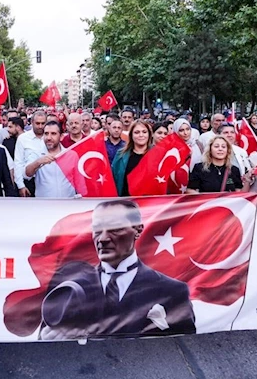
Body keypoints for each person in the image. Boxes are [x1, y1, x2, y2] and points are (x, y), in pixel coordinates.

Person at [40, 199, 196, 340]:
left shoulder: (172, 291)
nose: (103, 238)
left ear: (137, 230)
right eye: (97, 229)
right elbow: (46, 340)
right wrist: (52, 340)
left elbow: (186, 343)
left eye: (114, 228)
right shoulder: (70, 290)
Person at [23, 121, 76, 198]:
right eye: (46, 133)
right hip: (44, 203)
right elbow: (26, 174)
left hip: (68, 202)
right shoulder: (36, 153)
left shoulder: (71, 155)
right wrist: (38, 162)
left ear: (61, 137)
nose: (49, 138)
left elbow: (80, 182)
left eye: (53, 134)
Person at [188, 136, 252, 193]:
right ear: (210, 150)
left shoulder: (234, 170)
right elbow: (190, 190)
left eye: (223, 147)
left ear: (227, 150)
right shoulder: (199, 168)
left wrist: (247, 181)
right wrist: (204, 200)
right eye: (216, 146)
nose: (220, 149)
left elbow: (240, 194)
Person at [111, 120, 153, 197]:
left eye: (144, 132)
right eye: (137, 132)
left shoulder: (158, 154)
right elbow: (113, 179)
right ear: (131, 135)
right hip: (125, 201)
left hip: (151, 202)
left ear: (149, 134)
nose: (141, 135)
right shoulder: (120, 155)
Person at [14, 110, 48, 197]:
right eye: (37, 123)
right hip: (29, 181)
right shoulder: (23, 138)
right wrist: (21, 186)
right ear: (32, 122)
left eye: (43, 123)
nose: (40, 126)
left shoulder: (50, 138)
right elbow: (18, 163)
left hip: (46, 181)